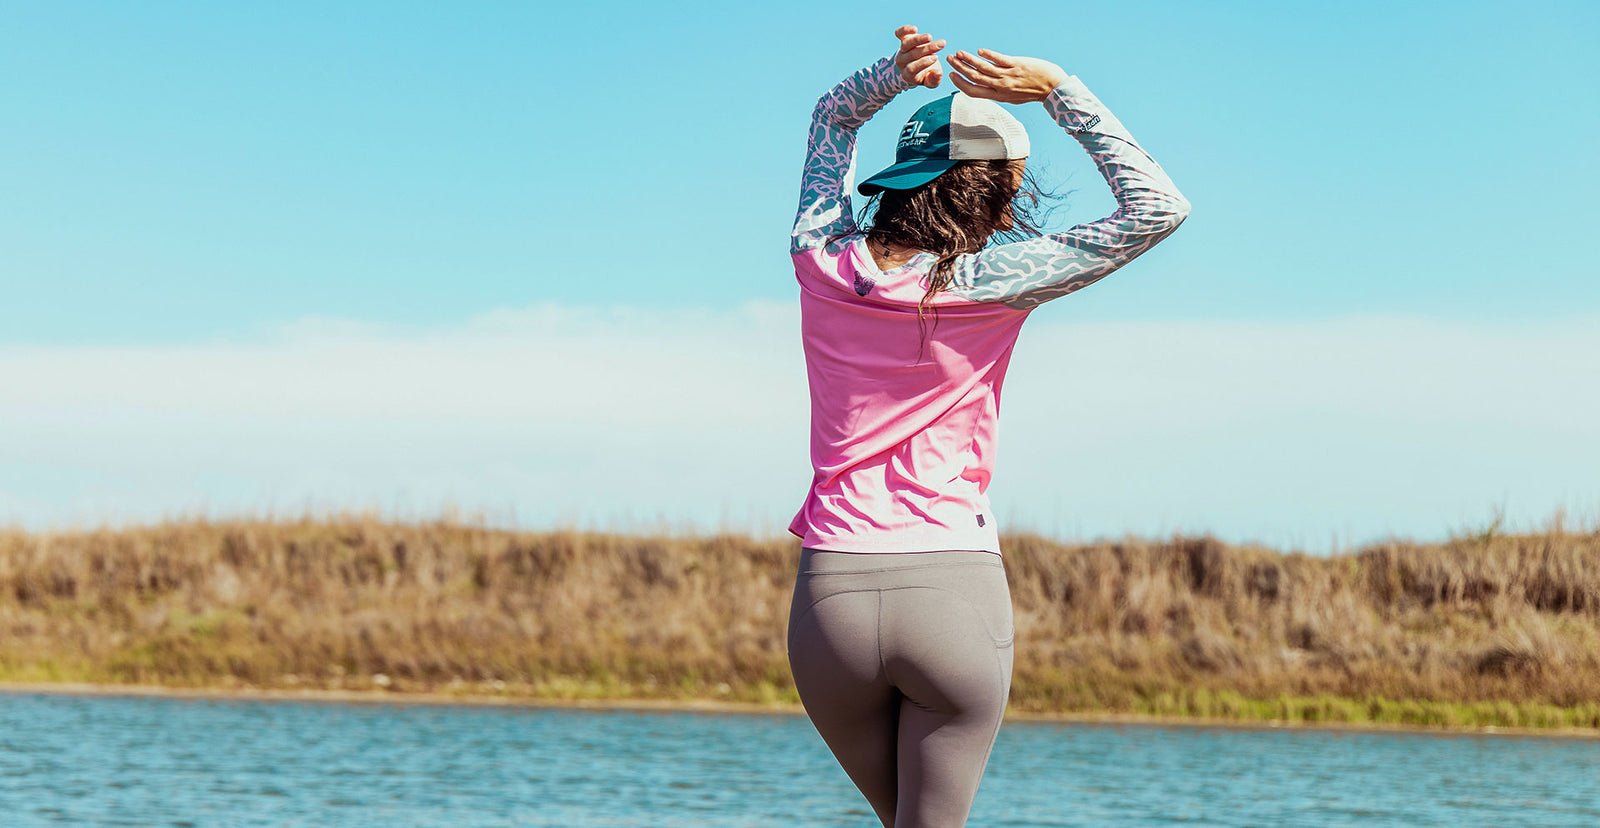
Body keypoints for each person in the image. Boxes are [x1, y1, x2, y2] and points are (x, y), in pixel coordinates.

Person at [783, 23, 1191, 828]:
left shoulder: (819, 254)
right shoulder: (994, 281)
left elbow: (831, 121)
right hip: (952, 594)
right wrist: (1059, 91)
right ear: (993, 191)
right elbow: (1159, 207)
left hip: (829, 601)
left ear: (905, 177)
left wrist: (891, 76)